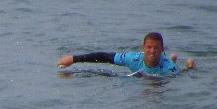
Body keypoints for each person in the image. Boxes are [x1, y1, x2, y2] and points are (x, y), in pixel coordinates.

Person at [56, 32, 195, 77]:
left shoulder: (169, 70)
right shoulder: (133, 58)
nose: (152, 51)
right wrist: (73, 59)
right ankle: (172, 58)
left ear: (161, 49)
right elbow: (105, 57)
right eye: (149, 47)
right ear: (143, 48)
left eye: (156, 48)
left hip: (165, 70)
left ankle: (188, 65)